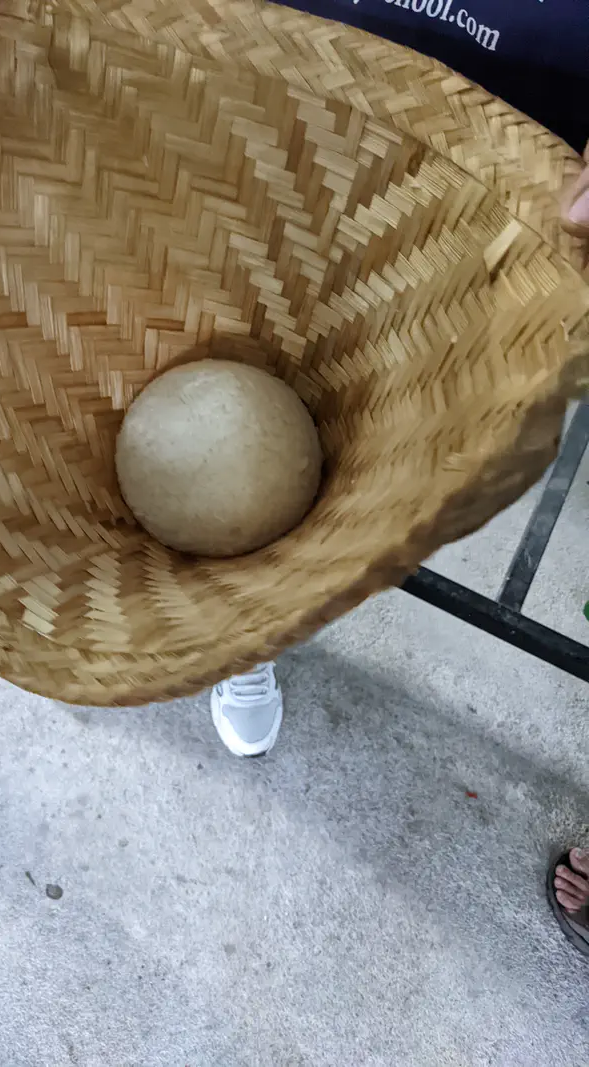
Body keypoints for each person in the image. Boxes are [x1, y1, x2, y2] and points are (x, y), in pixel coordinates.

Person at [210, 0, 589, 954]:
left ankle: (260, 590)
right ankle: (238, 623)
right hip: (284, 93)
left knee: (394, 414)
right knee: (224, 348)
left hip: (526, 161)